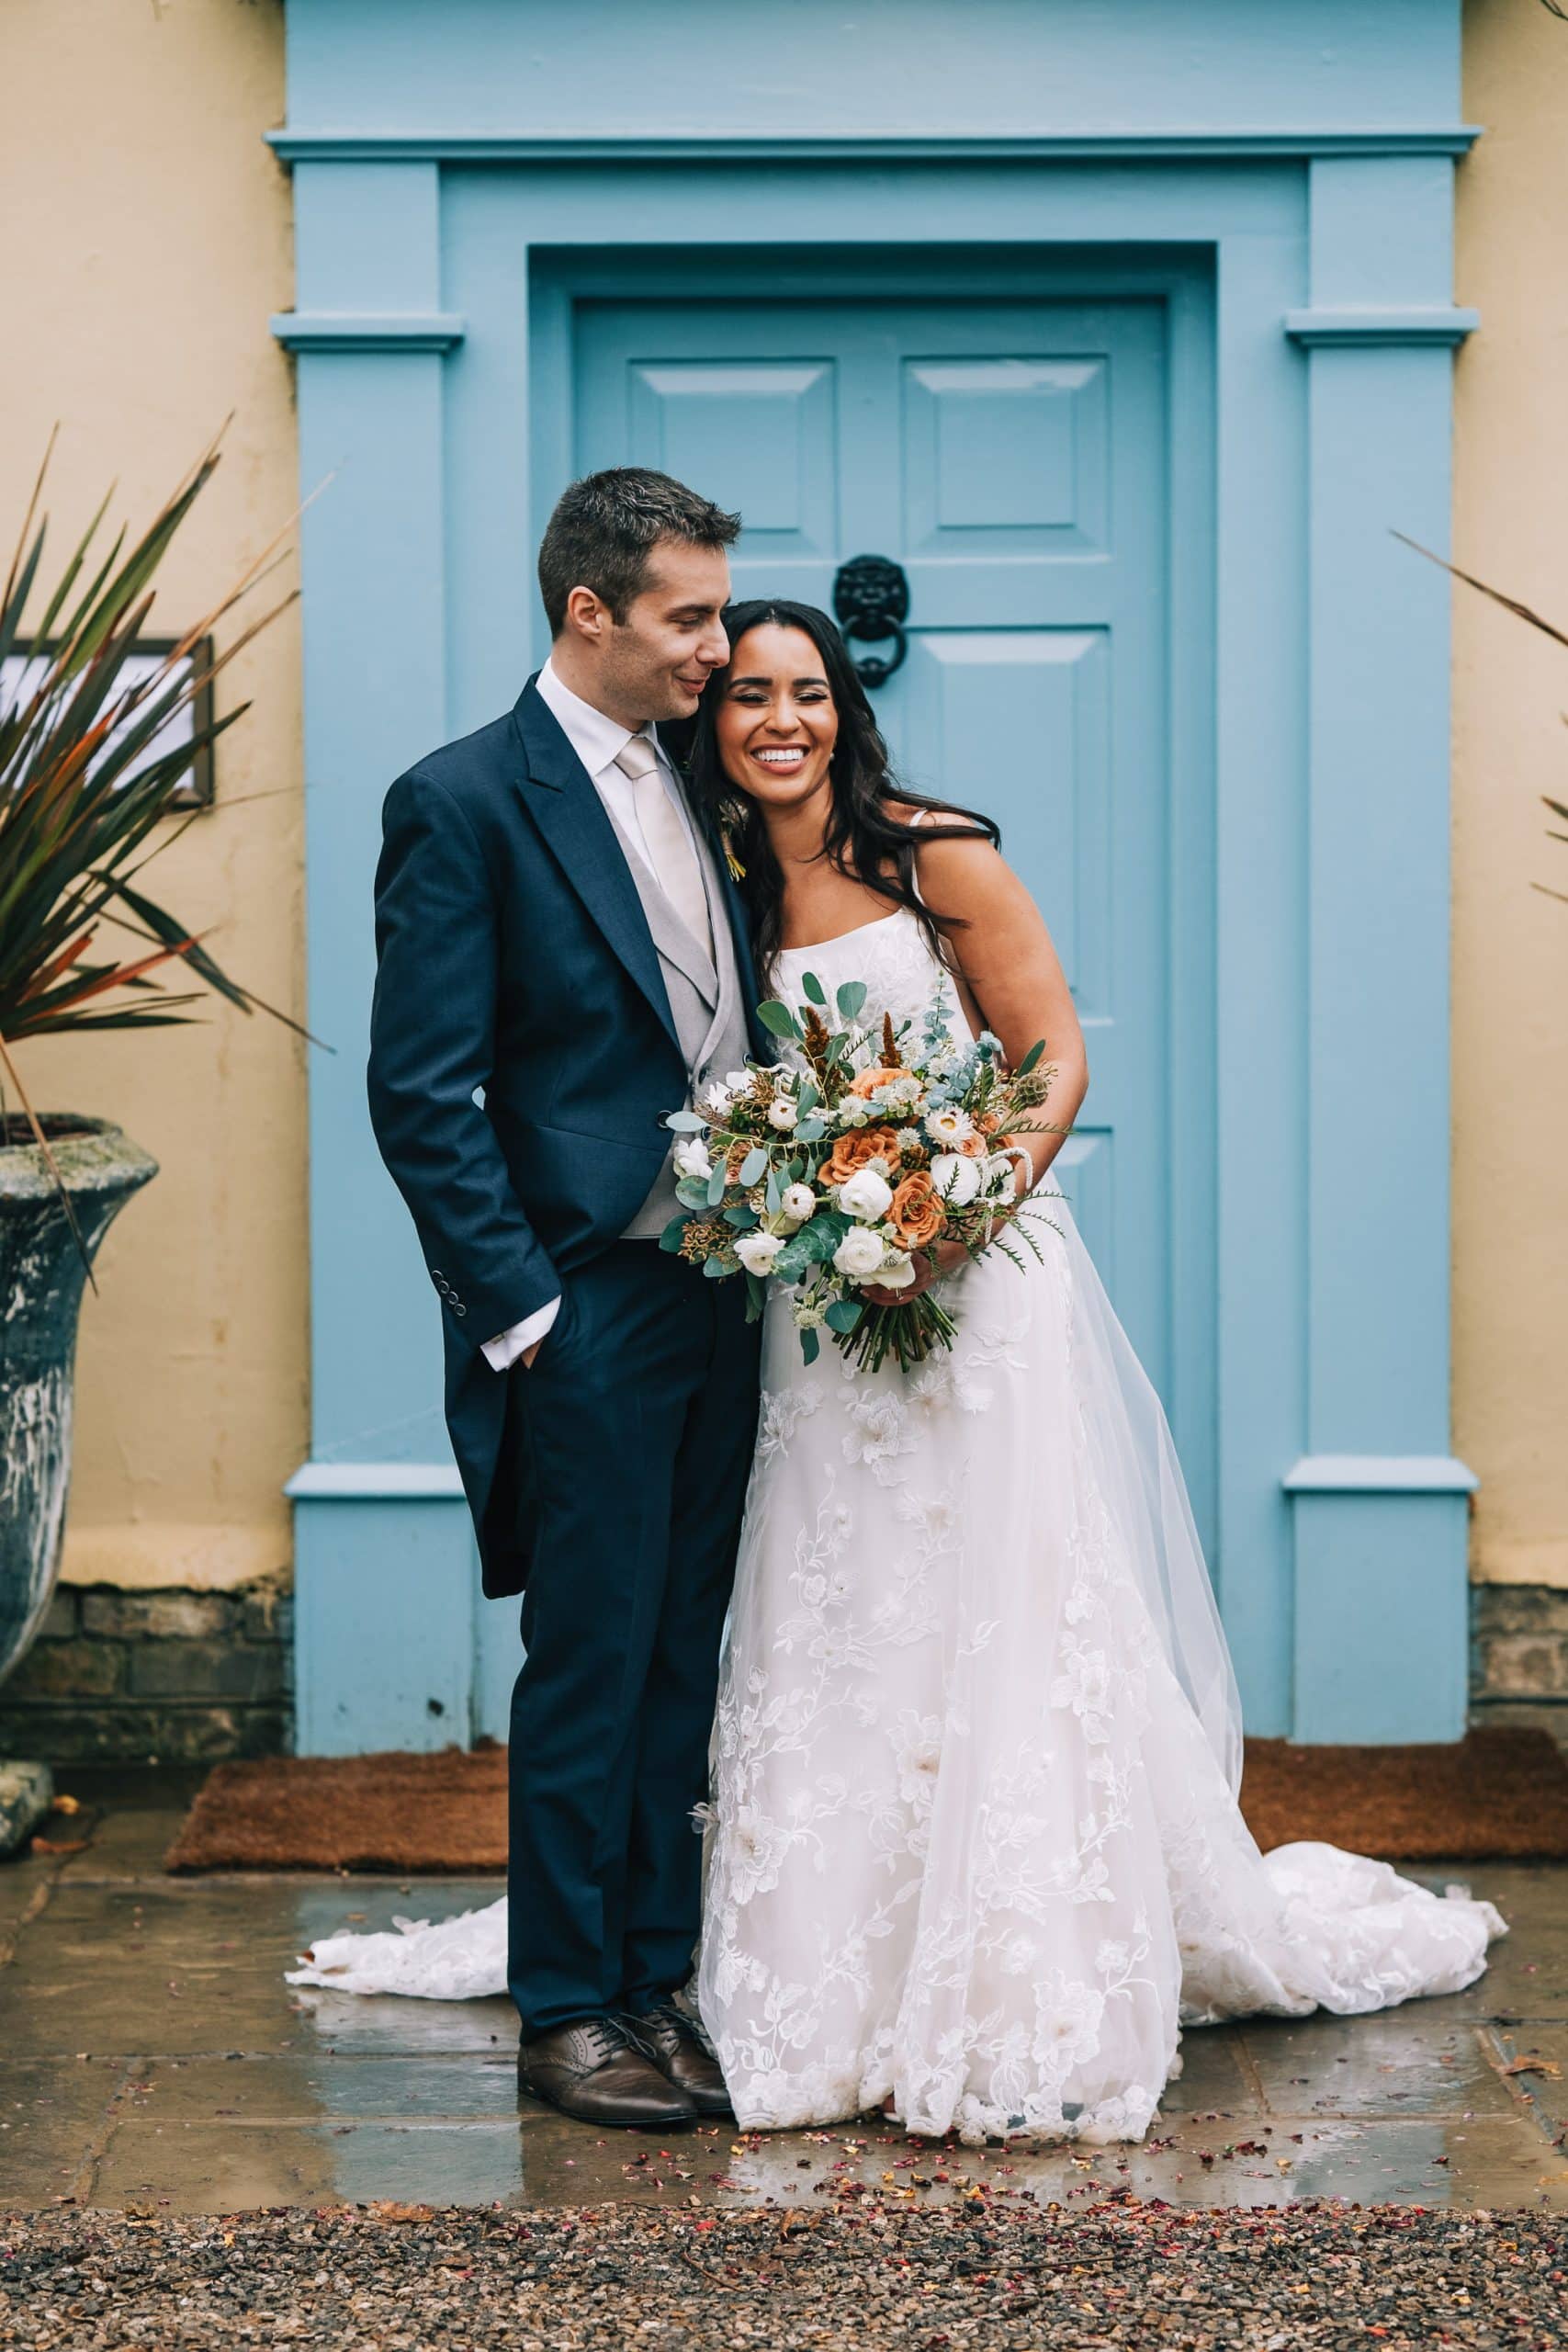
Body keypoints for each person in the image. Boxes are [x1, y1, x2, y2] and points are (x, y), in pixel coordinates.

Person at [296, 590, 1505, 2148]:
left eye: (804, 690)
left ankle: (1010, 1957)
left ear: (847, 708)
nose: (775, 718)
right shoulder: (718, 868)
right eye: (741, 691)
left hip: (977, 1298)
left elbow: (1052, 1049)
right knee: (815, 1620)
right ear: (705, 716)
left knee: (994, 1604)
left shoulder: (934, 851)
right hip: (801, 1315)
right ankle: (780, 1967)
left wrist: (956, 1206)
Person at [357, 469, 765, 2130]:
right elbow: (418, 1091)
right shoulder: (461, 800)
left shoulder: (700, 779)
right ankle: (566, 2008)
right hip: (585, 1305)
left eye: (721, 611)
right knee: (589, 1663)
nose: (717, 649)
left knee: (685, 1652)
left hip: (727, 1298)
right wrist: (525, 1312)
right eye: (690, 616)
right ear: (587, 611)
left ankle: (657, 1978)